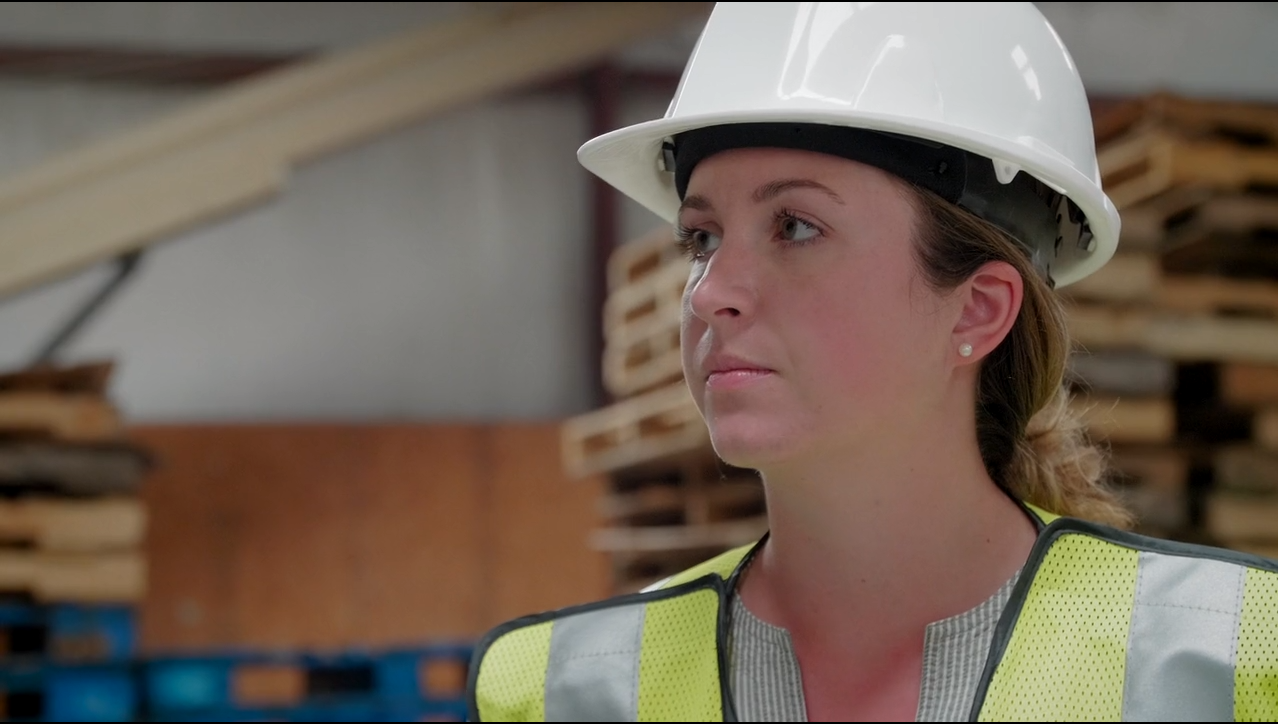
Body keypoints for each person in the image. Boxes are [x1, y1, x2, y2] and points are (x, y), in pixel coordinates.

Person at [467, 3, 1278, 721]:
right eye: (702, 238)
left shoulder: (1236, 664)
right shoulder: (558, 693)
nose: (710, 293)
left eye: (796, 227)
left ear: (978, 310)